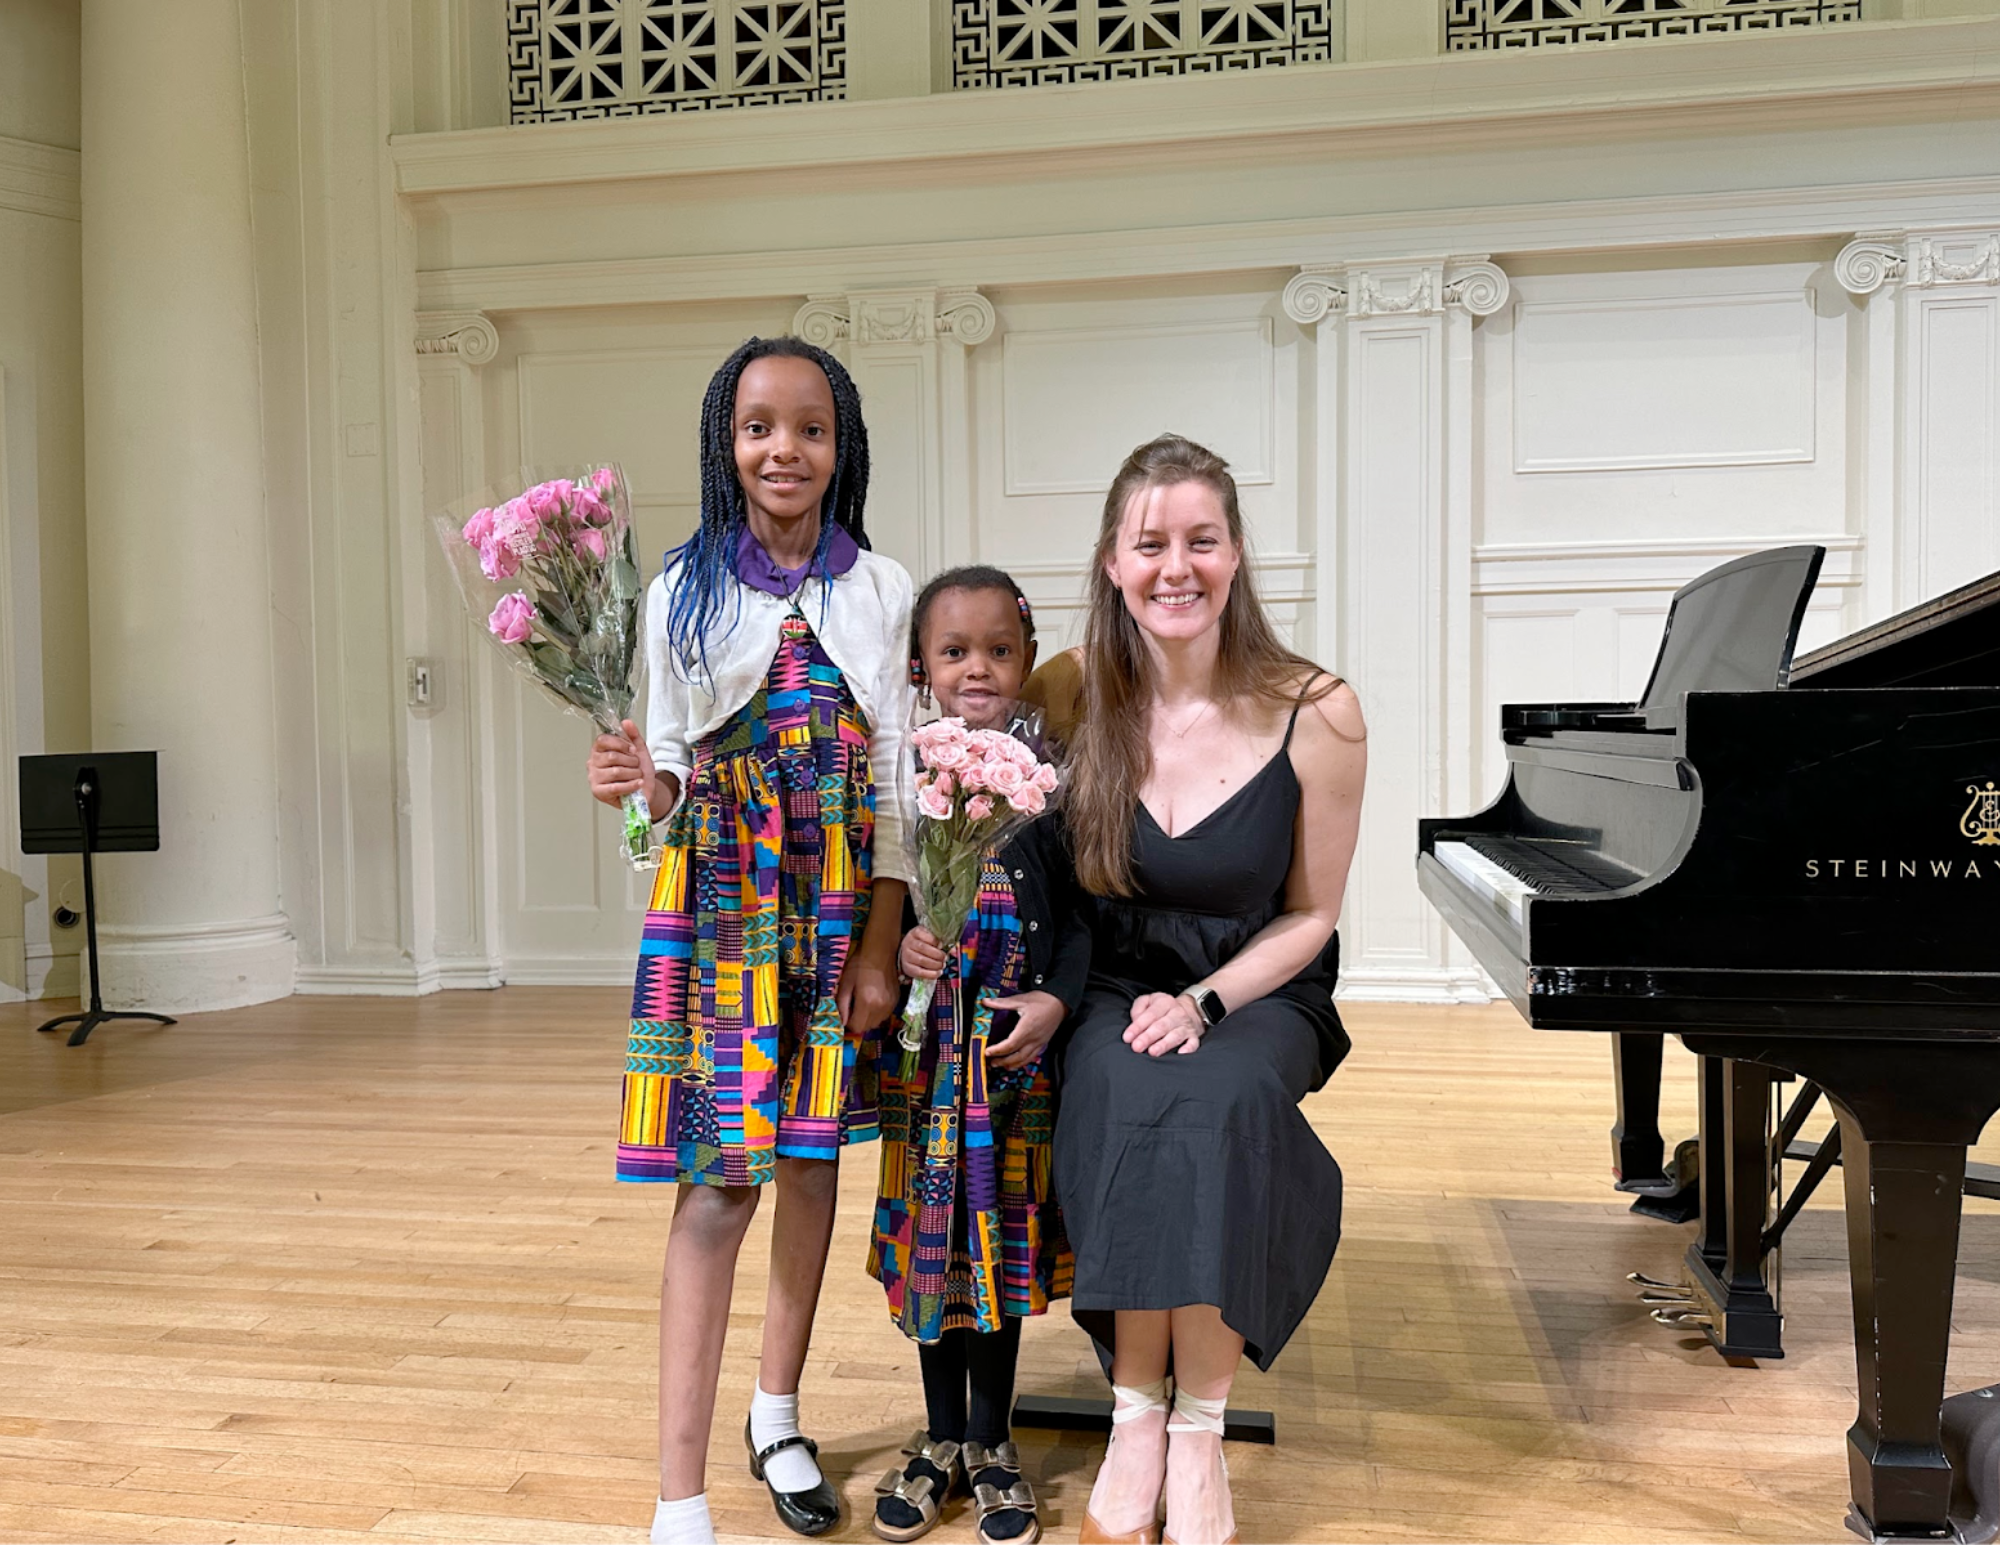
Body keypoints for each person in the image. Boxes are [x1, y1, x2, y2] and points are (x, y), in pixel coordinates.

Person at [585, 336, 912, 1545]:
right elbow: (662, 787)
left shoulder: (881, 591)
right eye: (759, 426)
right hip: (723, 912)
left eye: (811, 428)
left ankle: (775, 1414)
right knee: (721, 1184)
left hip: (832, 920)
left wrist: (880, 946)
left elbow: (890, 790)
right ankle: (677, 1495)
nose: (786, 450)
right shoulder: (678, 591)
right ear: (727, 443)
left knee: (815, 1163)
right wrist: (632, 786)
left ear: (843, 447)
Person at [1053, 434, 1366, 1545]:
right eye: (1150, 544)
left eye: (1200, 540)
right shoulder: (1074, 698)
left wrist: (1207, 1005)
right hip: (1115, 984)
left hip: (1259, 988)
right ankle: (1137, 1415)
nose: (1173, 567)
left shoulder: (1316, 710)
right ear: (1111, 562)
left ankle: (1201, 1428)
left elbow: (1312, 912)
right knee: (1130, 1097)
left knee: (1221, 1101)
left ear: (1235, 558)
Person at [868, 567, 1086, 1545]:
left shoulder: (1050, 787)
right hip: (927, 1067)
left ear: (1027, 659)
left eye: (999, 650)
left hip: (1009, 1065)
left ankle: (992, 1441)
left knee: (993, 1247)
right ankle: (940, 1435)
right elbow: (890, 904)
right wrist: (908, 942)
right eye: (954, 652)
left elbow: (1085, 922)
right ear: (921, 665)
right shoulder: (907, 786)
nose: (978, 669)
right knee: (933, 1249)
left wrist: (1053, 997)